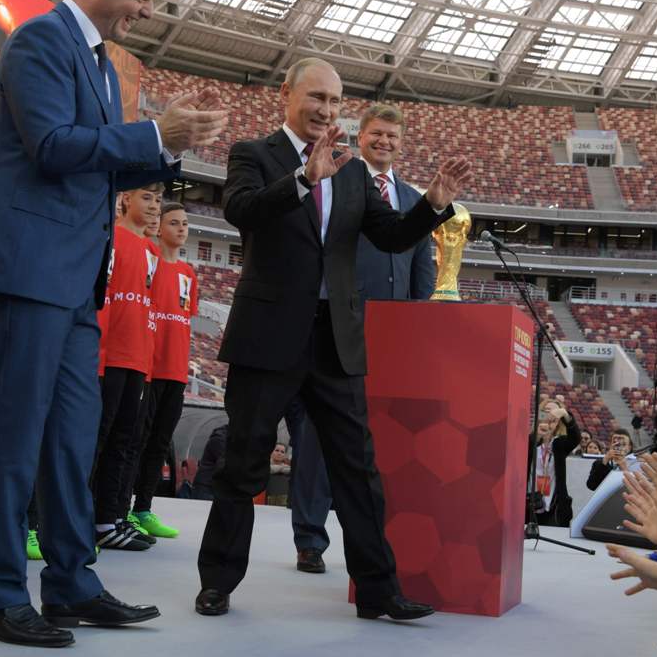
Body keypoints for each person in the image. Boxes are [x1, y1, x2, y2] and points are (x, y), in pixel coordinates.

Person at [0, 0, 227, 647]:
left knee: (72, 437)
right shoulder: (40, 42)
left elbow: (99, 170)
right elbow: (52, 148)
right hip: (25, 267)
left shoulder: (105, 68)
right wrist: (150, 133)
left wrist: (168, 144)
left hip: (76, 281)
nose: (143, 11)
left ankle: (71, 581)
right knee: (13, 435)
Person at [194, 56, 471, 621]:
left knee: (357, 469)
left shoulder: (352, 170)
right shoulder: (255, 153)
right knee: (243, 463)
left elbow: (392, 237)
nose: (326, 110)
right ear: (287, 95)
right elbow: (240, 210)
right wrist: (301, 180)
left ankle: (378, 590)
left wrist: (433, 204)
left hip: (335, 340)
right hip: (268, 336)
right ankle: (217, 581)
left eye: (335, 101)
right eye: (316, 97)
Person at [287, 103, 437, 576]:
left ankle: (372, 543)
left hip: (395, 333)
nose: (384, 142)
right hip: (340, 324)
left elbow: (421, 263)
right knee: (318, 434)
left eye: (393, 135)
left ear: (401, 141)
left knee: (373, 437)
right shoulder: (338, 180)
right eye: (376, 134)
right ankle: (310, 536)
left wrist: (416, 313)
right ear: (361, 135)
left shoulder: (413, 197)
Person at [93, 185, 162, 552]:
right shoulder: (111, 237)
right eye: (147, 198)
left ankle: (108, 520)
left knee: (123, 441)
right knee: (97, 441)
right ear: (125, 200)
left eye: (157, 200)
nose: (154, 207)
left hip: (137, 358)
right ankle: (81, 523)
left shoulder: (151, 250)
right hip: (109, 356)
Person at [126, 202, 197, 538]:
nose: (181, 229)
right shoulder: (149, 262)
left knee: (159, 443)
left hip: (176, 372)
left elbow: (184, 321)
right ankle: (118, 508)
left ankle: (143, 508)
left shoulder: (189, 273)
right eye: (174, 222)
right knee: (135, 440)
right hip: (149, 370)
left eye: (185, 223)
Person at [530, 399, 582, 526]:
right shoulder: (530, 441)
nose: (550, 416)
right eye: (546, 411)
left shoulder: (560, 443)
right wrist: (537, 437)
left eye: (554, 413)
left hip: (554, 507)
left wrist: (565, 414)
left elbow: (575, 438)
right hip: (529, 504)